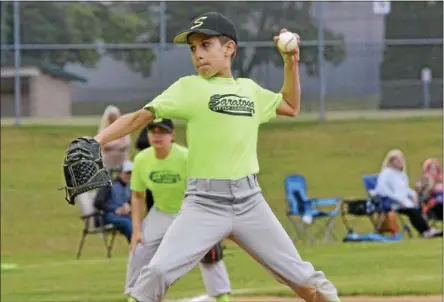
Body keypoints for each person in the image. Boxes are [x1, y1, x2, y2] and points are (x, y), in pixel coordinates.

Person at [94, 12, 340, 302]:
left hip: (250, 202)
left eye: (206, 45)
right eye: (193, 48)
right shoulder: (189, 88)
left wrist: (291, 61)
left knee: (306, 281)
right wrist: (96, 140)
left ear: (229, 48)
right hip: (203, 204)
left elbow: (290, 105)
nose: (198, 54)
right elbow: (139, 117)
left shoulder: (250, 91)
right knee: (157, 273)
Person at [125, 118, 231, 302]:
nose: (157, 136)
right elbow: (137, 196)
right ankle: (135, 297)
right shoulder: (142, 159)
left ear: (172, 135)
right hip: (162, 212)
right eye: (153, 131)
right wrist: (136, 230)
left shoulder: (186, 157)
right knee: (139, 250)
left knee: (209, 252)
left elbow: (206, 188)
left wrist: (210, 223)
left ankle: (222, 296)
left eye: (162, 132)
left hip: (191, 212)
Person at [374, 149, 442, 238]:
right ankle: (426, 231)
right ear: (391, 161)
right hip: (391, 202)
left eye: (400, 159)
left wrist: (413, 194)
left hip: (404, 201)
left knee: (417, 208)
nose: (399, 162)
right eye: (397, 159)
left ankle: (427, 230)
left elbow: (405, 189)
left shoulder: (401, 174)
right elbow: (382, 190)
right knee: (412, 211)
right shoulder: (386, 174)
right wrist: (396, 199)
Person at [94, 160, 133, 243]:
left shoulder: (130, 187)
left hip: (123, 216)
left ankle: (137, 249)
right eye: (127, 173)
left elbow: (129, 202)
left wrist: (128, 207)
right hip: (107, 216)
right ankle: (136, 248)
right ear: (120, 173)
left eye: (131, 173)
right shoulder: (109, 185)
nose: (129, 176)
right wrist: (115, 210)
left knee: (138, 224)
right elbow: (97, 202)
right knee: (127, 223)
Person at [98, 105, 132, 175]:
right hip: (107, 161)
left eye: (114, 116)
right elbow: (103, 146)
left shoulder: (123, 129)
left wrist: (110, 145)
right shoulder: (104, 130)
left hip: (121, 160)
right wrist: (118, 144)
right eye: (111, 117)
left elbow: (126, 144)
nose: (112, 119)